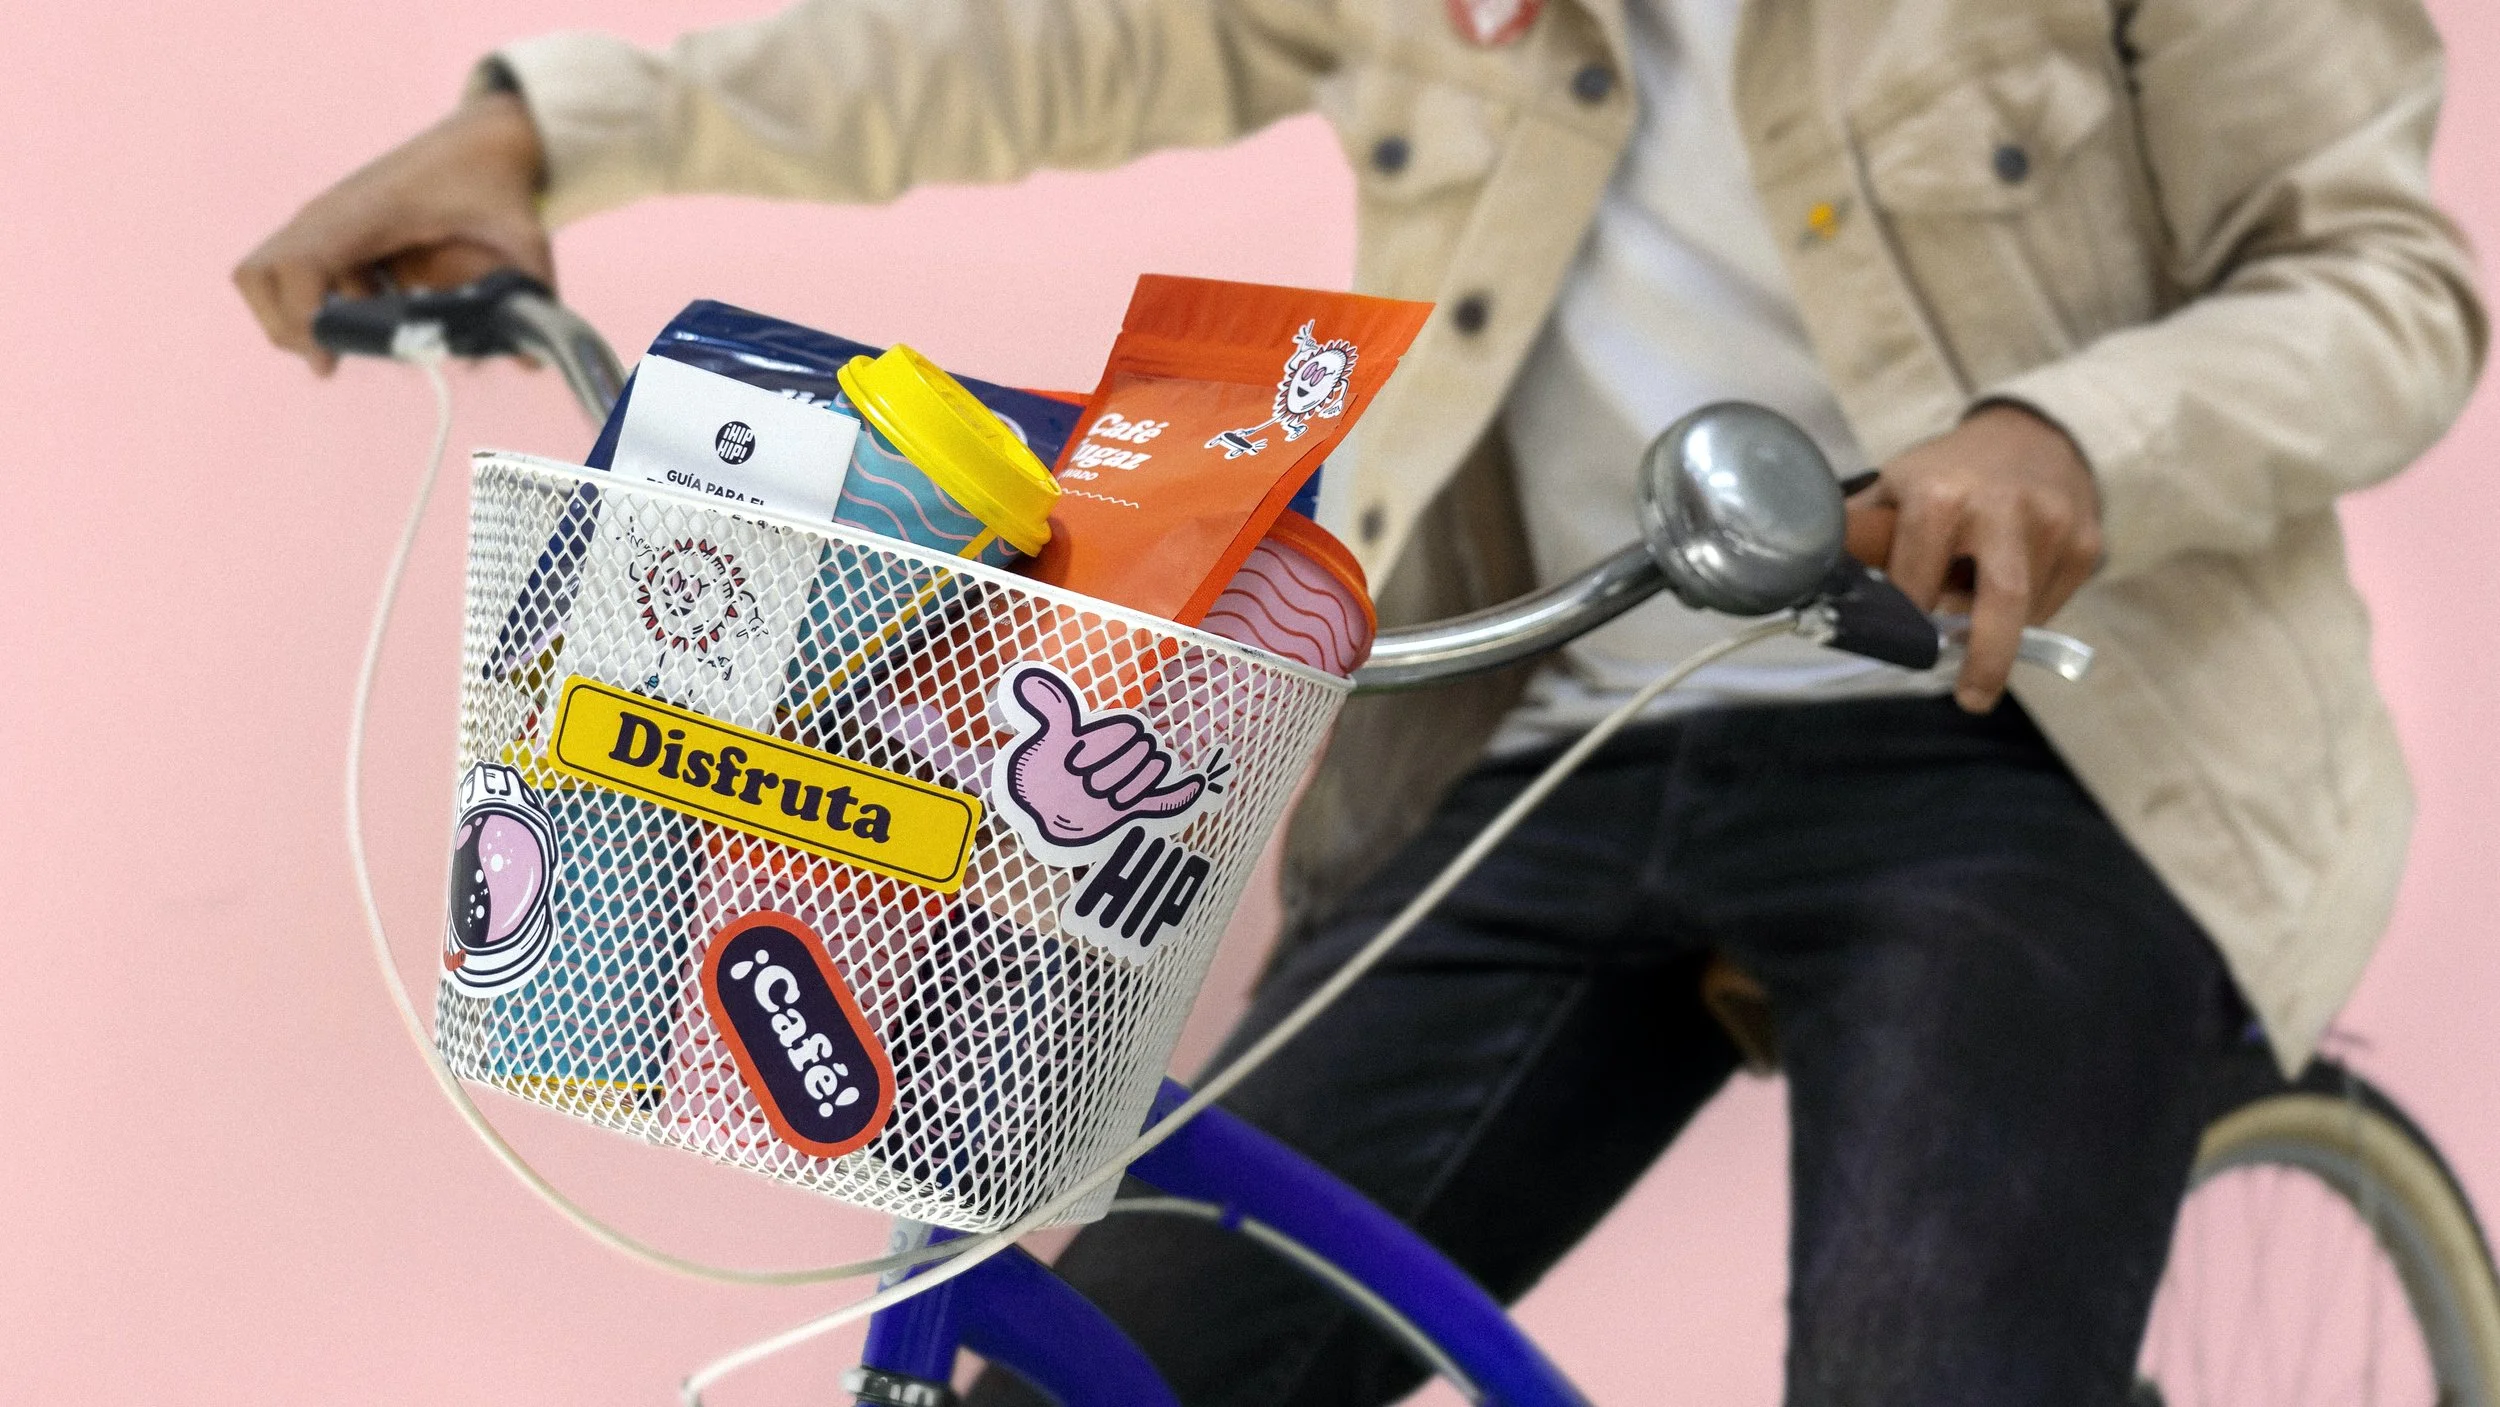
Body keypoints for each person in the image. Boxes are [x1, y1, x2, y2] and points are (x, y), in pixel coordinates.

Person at [237, 0, 2485, 1401]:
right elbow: (1017, 34)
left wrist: (2065, 438)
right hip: (1552, 740)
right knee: (1095, 1364)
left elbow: (2379, 273)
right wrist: (549, 128)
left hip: (2018, 744)